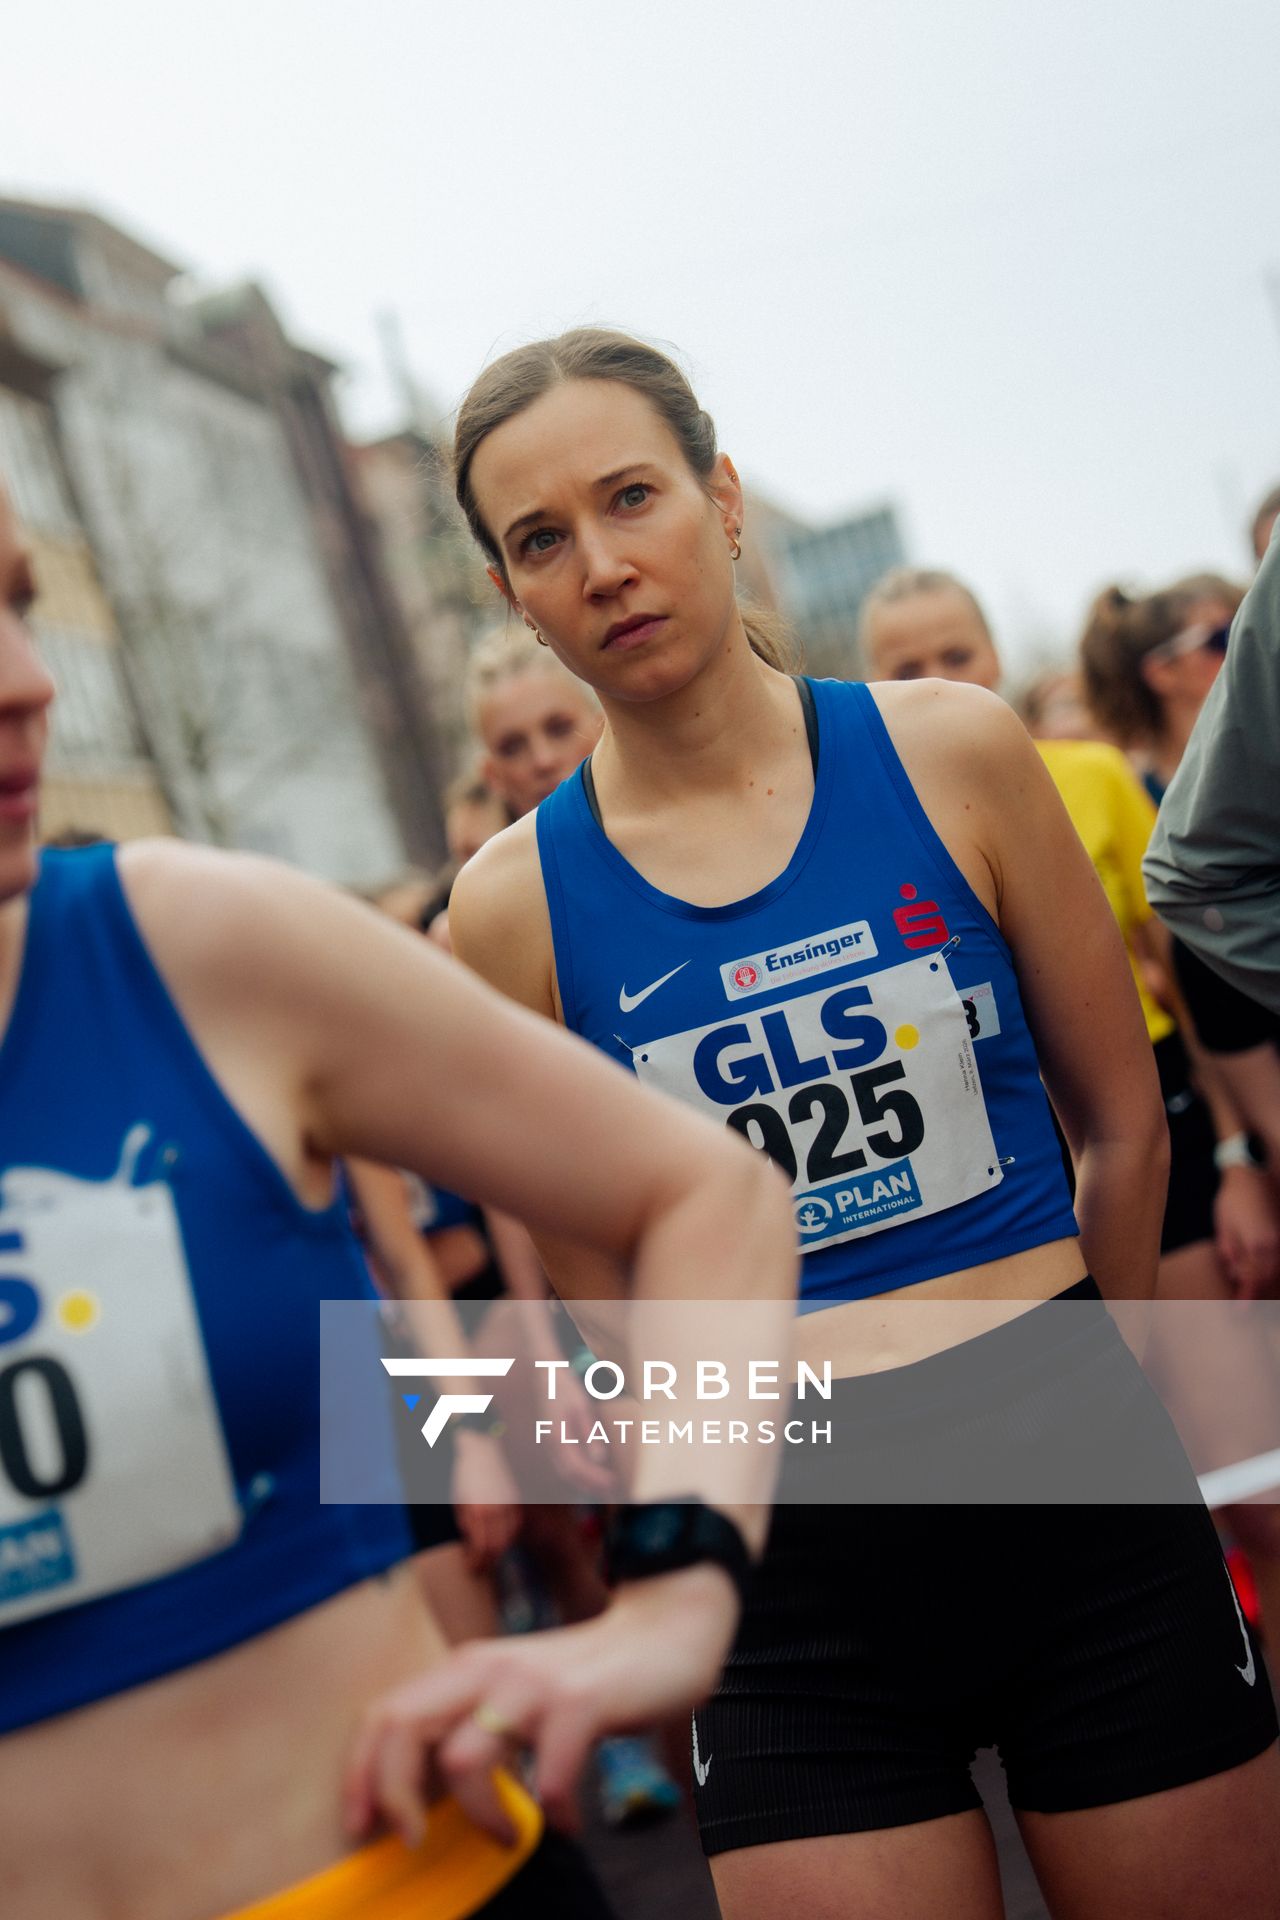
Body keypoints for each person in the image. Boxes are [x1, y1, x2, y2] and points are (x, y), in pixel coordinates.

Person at [445, 327, 1280, 1920]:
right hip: (787, 1576)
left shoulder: (953, 750)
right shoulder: (506, 910)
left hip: (1079, 1491)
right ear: (512, 595)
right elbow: (606, 1300)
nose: (603, 564)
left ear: (723, 496)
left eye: (632, 497)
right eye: (541, 540)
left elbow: (1124, 1127)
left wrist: (1085, 1386)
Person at [0, 482, 797, 1920]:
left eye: (18, 604)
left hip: (412, 1882)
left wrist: (677, 1588)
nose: (30, 682)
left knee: (537, 1531)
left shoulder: (194, 945)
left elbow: (708, 1193)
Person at [1143, 531, 1280, 1029]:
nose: (1245, 645)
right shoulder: (1140, 789)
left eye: (1248, 623)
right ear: (1161, 671)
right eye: (1222, 638)